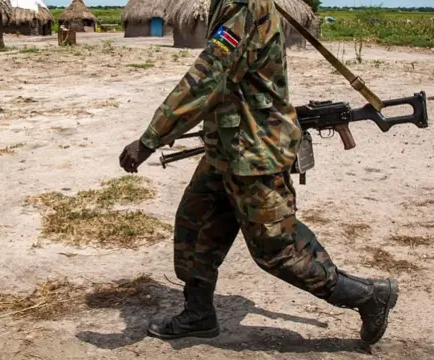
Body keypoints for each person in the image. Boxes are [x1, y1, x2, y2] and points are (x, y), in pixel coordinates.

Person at [118, 0, 398, 345]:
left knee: (278, 249)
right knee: (195, 224)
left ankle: (368, 296)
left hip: (253, 153)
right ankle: (199, 315)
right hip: (227, 148)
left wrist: (150, 139)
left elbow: (209, 77)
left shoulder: (245, 5)